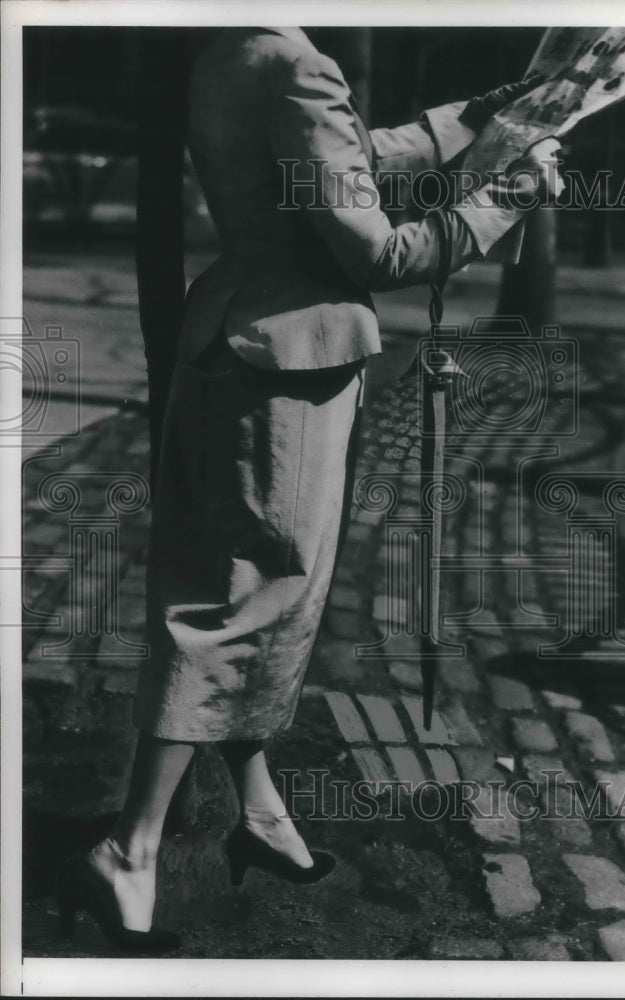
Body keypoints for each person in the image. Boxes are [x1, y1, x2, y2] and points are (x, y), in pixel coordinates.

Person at [56, 26, 562, 952]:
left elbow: (346, 163)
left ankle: (261, 815)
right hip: (285, 362)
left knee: (257, 592)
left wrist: (468, 121)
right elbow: (380, 254)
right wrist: (512, 194)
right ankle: (129, 850)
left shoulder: (232, 48)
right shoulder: (294, 62)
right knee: (238, 603)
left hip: (241, 341)